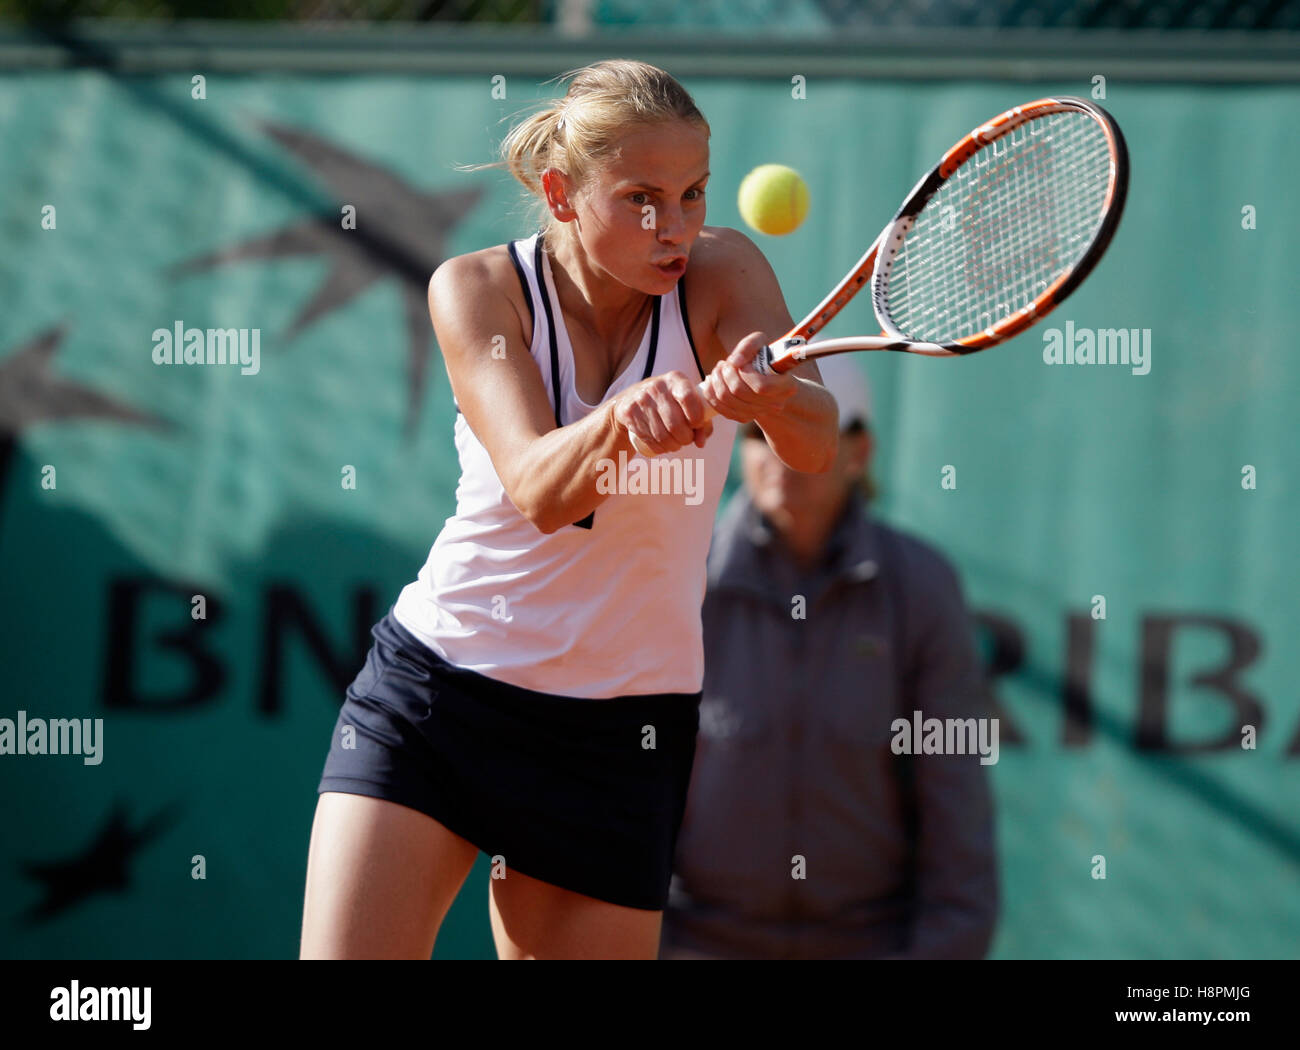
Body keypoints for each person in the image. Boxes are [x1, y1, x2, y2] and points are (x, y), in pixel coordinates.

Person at [298, 59, 838, 960]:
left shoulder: (723, 271)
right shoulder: (475, 290)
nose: (675, 227)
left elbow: (815, 444)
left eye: (693, 194)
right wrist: (625, 422)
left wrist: (771, 399)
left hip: (619, 732)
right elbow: (541, 489)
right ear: (560, 192)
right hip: (440, 694)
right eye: (640, 198)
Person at [660, 355, 999, 960]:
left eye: (804, 432)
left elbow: (958, 809)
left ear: (858, 451)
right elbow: (629, 790)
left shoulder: (922, 586)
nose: (777, 455)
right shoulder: (681, 575)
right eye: (758, 434)